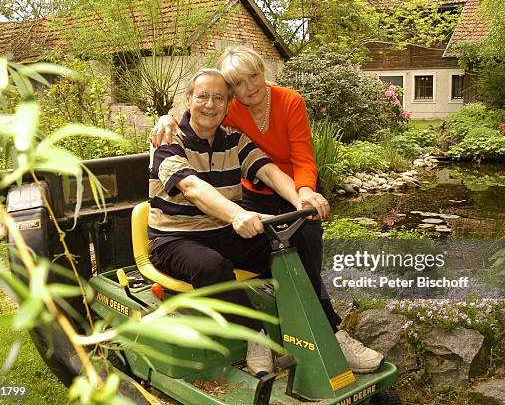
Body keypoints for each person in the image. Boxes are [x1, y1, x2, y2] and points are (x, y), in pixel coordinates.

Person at [150, 49, 384, 374]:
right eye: (202, 97)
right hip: (176, 238)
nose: (211, 105)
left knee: (293, 245)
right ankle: (255, 335)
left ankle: (329, 330)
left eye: (219, 98)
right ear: (188, 99)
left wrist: (300, 198)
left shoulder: (233, 137)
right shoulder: (167, 141)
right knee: (211, 265)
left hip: (222, 231)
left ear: (227, 103)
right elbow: (191, 188)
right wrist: (236, 215)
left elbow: (269, 171)